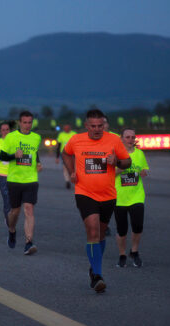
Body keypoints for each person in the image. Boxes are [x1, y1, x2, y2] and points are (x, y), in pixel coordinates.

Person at [62, 109, 131, 293]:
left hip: (108, 195)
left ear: (104, 125)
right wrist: (71, 172)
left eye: (100, 126)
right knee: (92, 230)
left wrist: (116, 161)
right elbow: (66, 153)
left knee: (100, 233)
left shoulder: (114, 139)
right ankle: (98, 276)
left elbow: (127, 162)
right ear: (86, 126)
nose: (97, 129)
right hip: (84, 193)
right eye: (93, 126)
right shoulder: (76, 140)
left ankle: (94, 267)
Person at [0, 111, 42, 255]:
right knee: (15, 212)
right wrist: (13, 156)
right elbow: (2, 156)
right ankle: (12, 230)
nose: (27, 125)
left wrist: (39, 163)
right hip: (14, 180)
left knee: (29, 209)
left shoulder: (36, 137)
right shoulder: (11, 137)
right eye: (24, 122)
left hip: (31, 180)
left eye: (30, 122)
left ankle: (28, 242)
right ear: (19, 122)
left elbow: (35, 153)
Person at [114, 128, 149, 268]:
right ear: (121, 138)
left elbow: (144, 169)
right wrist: (121, 169)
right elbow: (108, 174)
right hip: (119, 198)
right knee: (122, 229)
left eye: (133, 137)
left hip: (137, 195)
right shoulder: (115, 155)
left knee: (138, 226)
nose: (130, 139)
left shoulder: (140, 153)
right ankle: (122, 255)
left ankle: (134, 252)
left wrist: (143, 172)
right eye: (127, 137)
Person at [0, 121, 12, 227]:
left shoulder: (15, 142)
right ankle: (8, 219)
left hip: (15, 174)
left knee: (14, 200)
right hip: (2, 174)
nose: (5, 132)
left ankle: (10, 215)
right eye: (3, 130)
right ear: (0, 131)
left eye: (7, 130)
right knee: (6, 197)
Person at [55, 124, 77, 189]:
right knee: (65, 168)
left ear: (70, 128)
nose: (66, 129)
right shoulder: (61, 135)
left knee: (75, 167)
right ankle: (67, 181)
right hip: (64, 154)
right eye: (65, 128)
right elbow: (58, 147)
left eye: (67, 128)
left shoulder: (74, 134)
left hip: (73, 154)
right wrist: (57, 157)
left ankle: (74, 179)